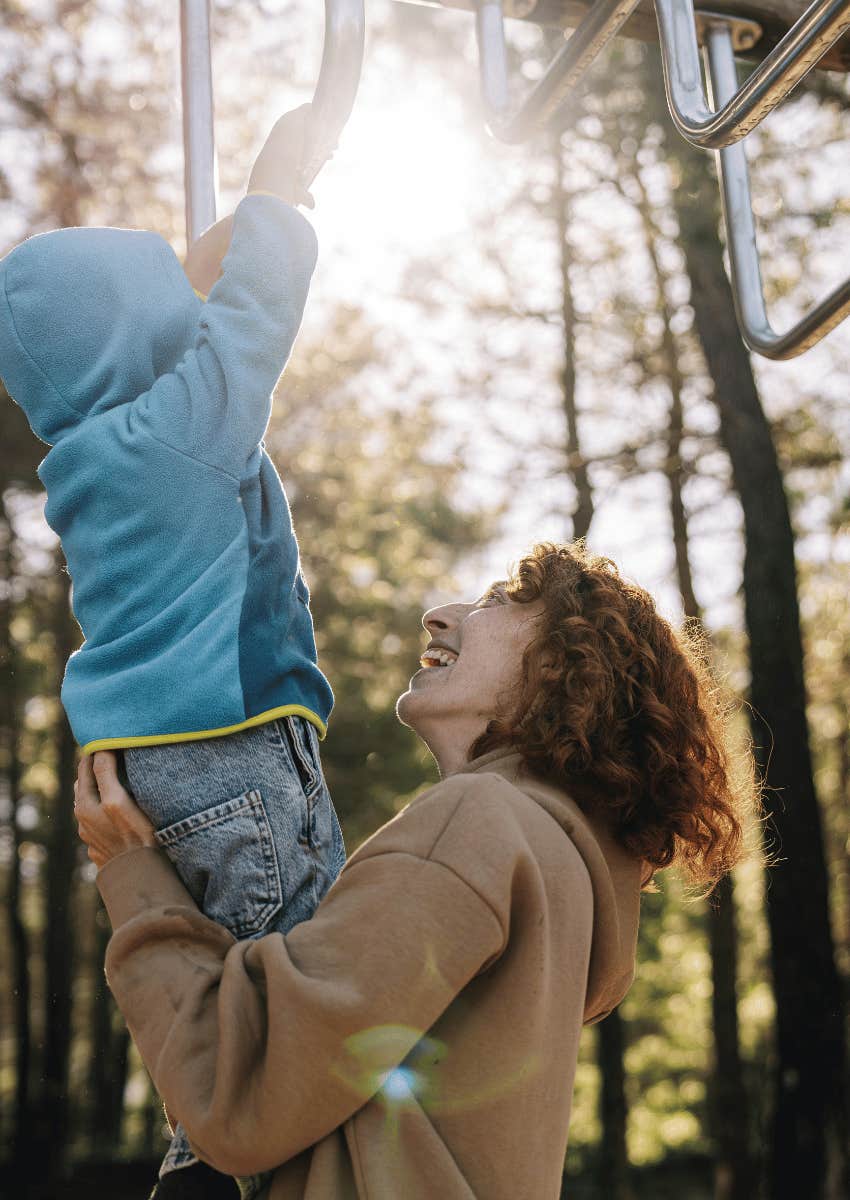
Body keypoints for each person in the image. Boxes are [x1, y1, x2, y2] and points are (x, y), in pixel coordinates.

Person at [75, 541, 757, 1200]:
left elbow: (245, 1097)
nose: (441, 614)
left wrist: (131, 873)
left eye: (496, 602)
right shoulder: (563, 874)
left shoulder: (481, 823)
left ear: (565, 666)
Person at [0, 105, 345, 1199]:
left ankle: (200, 1161)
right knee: (287, 997)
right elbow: (248, 318)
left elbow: (189, 308)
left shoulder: (103, 449)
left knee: (231, 997)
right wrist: (278, 187)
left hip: (171, 761)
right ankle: (222, 1176)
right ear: (133, 335)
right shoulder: (175, 435)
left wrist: (245, 210)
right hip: (228, 753)